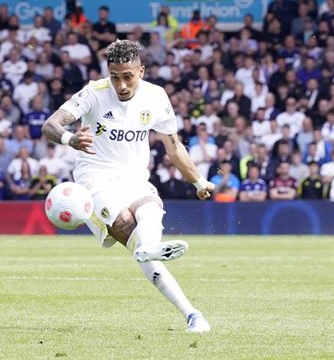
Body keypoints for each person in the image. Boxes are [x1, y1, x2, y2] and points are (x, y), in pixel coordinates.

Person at [41, 40, 214, 333]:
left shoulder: (157, 97)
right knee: (127, 227)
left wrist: (197, 181)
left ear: (141, 71)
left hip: (134, 177)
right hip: (95, 179)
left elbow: (173, 148)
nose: (121, 84)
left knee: (150, 208)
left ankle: (156, 258)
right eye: (115, 76)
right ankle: (190, 311)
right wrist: (71, 139)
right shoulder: (94, 93)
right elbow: (51, 125)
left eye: (128, 76)